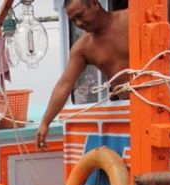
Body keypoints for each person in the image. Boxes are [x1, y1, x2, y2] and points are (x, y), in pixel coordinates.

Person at [35, 0, 128, 149]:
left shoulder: (131, 20)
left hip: (160, 104)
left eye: (80, 15)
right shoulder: (83, 48)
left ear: (94, 3)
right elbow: (64, 85)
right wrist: (45, 122)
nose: (79, 23)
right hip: (128, 111)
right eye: (73, 21)